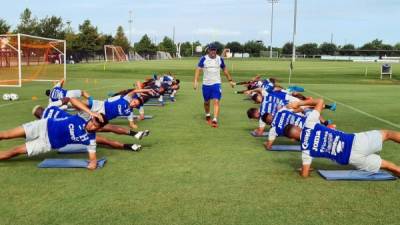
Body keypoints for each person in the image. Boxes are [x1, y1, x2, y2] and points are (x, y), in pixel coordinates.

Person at [283, 98, 400, 177]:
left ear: (293, 139)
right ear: (297, 126)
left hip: (351, 159)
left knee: (389, 166)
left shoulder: (306, 151)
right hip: (354, 142)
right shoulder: (309, 124)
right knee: (388, 134)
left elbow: (304, 174)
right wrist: (299, 104)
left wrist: (302, 170)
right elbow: (320, 101)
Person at [0, 111, 108, 170]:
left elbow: (93, 159)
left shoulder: (91, 140)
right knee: (6, 134)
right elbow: (72, 100)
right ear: (92, 118)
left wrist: (93, 164)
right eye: (93, 123)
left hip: (46, 143)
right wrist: (90, 111)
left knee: (14, 151)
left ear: (99, 129)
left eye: (96, 127)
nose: (92, 127)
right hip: (42, 126)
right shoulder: (84, 116)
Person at [193, 43, 235, 128]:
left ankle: (215, 119)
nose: (213, 51)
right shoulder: (203, 59)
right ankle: (207, 114)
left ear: (216, 51)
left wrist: (230, 80)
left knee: (216, 101)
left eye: (214, 50)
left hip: (216, 83)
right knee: (206, 102)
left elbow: (225, 70)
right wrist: (195, 81)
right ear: (208, 50)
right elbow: (198, 70)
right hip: (206, 84)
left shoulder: (219, 59)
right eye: (211, 50)